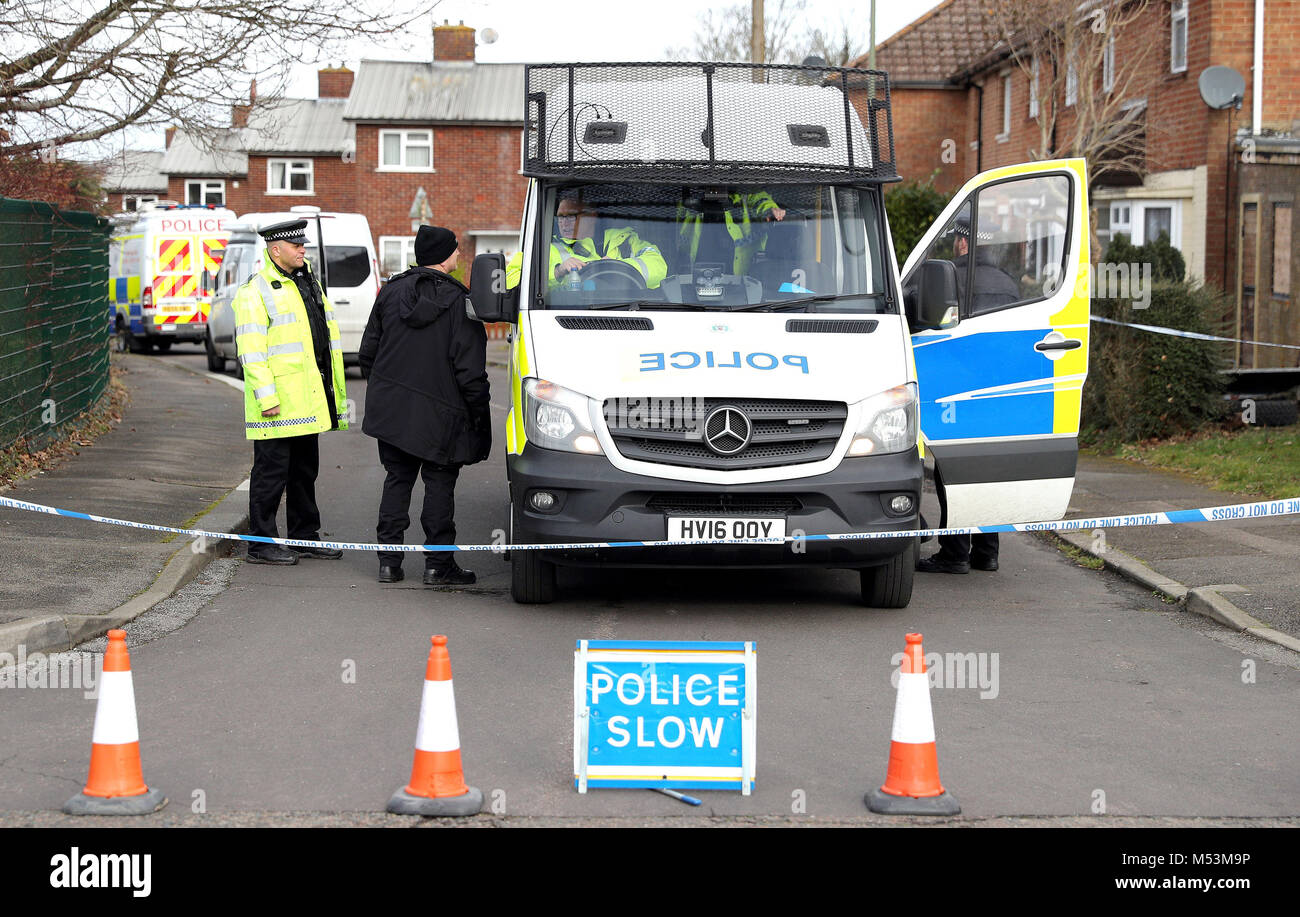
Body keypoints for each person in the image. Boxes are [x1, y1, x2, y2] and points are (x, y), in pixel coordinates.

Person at [358, 225, 490, 586]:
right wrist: (479, 412)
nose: (460, 256)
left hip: (393, 410)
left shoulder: (390, 292)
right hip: (442, 415)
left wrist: (387, 392)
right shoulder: (461, 303)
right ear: (445, 256)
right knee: (439, 486)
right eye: (457, 251)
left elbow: (368, 352)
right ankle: (437, 565)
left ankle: (389, 563)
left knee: (396, 480)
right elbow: (470, 370)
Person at [232, 219, 348, 565]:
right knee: (270, 475)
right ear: (275, 249)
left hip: (306, 401)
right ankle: (261, 544)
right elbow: (251, 353)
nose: (303, 250)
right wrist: (267, 398)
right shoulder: (255, 291)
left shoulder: (307, 284)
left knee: (303, 473)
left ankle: (303, 536)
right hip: (278, 405)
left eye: (303, 245)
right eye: (296, 246)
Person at [917, 215, 1019, 576]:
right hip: (998, 393)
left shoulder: (952, 277)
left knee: (952, 475)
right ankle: (987, 552)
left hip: (958, 389)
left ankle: (955, 553)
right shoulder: (1009, 284)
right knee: (986, 472)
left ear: (962, 243)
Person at [505, 192, 667, 290]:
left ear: (591, 217)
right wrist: (557, 272)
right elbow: (511, 282)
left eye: (571, 216)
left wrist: (619, 267)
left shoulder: (625, 240)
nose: (563, 222)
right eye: (560, 217)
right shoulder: (545, 247)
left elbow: (658, 267)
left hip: (630, 310)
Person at [677, 189, 786, 275]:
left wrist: (770, 210)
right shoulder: (688, 199)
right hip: (693, 277)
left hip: (743, 279)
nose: (715, 189)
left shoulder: (744, 196)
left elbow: (759, 198)